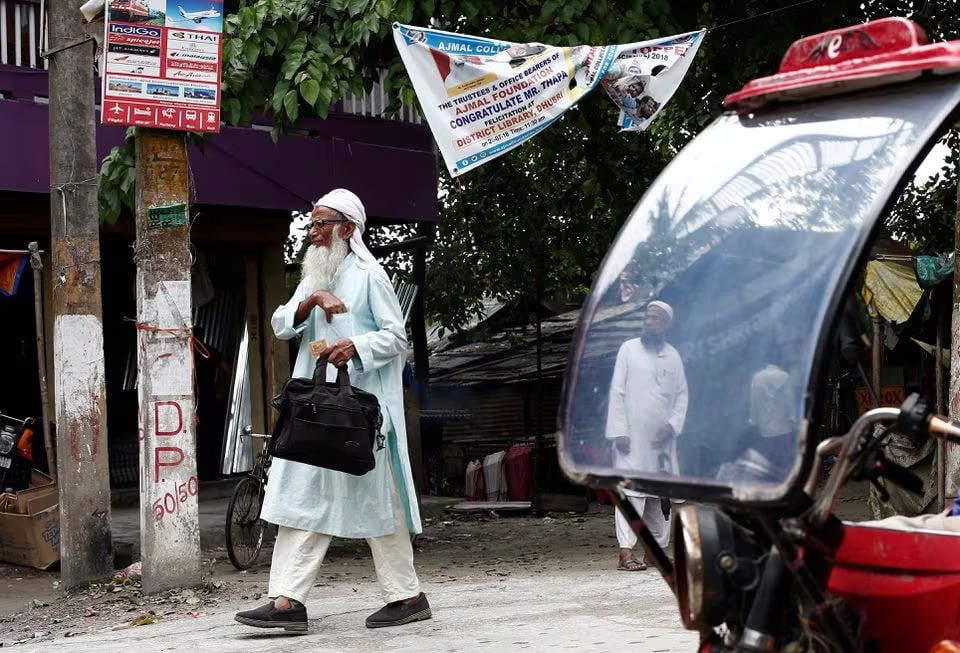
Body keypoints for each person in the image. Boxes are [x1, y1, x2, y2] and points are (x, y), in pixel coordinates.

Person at [235, 189, 430, 632]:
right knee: (303, 498)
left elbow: (397, 338)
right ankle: (286, 602)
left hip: (360, 416)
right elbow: (281, 323)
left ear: (348, 229)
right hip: (315, 411)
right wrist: (312, 300)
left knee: (381, 505)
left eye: (322, 223)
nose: (313, 232)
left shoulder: (370, 276)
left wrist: (354, 346)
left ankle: (407, 596)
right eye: (312, 223)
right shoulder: (314, 275)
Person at [606, 301, 688, 571]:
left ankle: (654, 553)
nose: (648, 322)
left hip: (661, 443)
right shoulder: (628, 349)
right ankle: (625, 553)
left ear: (667, 324)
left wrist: (673, 425)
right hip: (631, 440)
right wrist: (619, 431)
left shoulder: (673, 356)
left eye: (654, 318)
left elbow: (681, 395)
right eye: (647, 317)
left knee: (659, 497)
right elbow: (617, 391)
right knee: (631, 494)